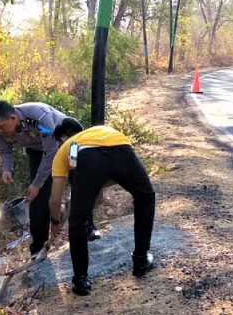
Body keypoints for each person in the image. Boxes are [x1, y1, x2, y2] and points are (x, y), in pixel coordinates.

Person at [48, 118, 156, 296]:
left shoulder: (66, 147)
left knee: (77, 220)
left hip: (91, 160)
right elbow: (108, 169)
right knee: (145, 197)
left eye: (59, 142)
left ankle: (80, 281)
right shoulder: (99, 132)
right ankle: (141, 260)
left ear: (63, 138)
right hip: (121, 147)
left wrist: (55, 221)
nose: (59, 145)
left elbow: (54, 199)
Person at [0, 100, 100, 257]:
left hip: (68, 142)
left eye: (2, 126)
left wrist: (37, 184)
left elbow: (51, 150)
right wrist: (6, 169)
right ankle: (38, 248)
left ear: (13, 118)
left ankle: (88, 228)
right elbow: (5, 150)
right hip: (38, 149)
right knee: (38, 199)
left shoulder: (39, 118)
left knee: (79, 184)